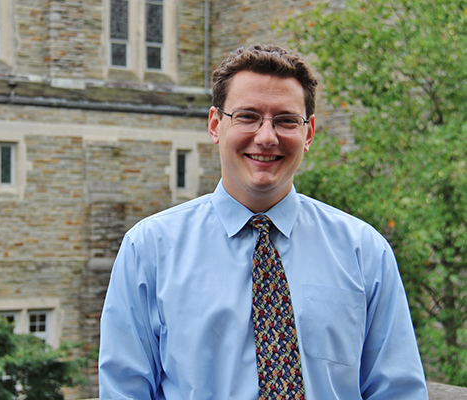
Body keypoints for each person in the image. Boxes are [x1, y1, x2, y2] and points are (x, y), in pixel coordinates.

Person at [98, 44, 428, 399]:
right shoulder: (149, 249)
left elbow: (397, 391)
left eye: (286, 120)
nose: (267, 137)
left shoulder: (364, 251)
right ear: (215, 125)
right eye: (247, 116)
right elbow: (125, 390)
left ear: (309, 132)